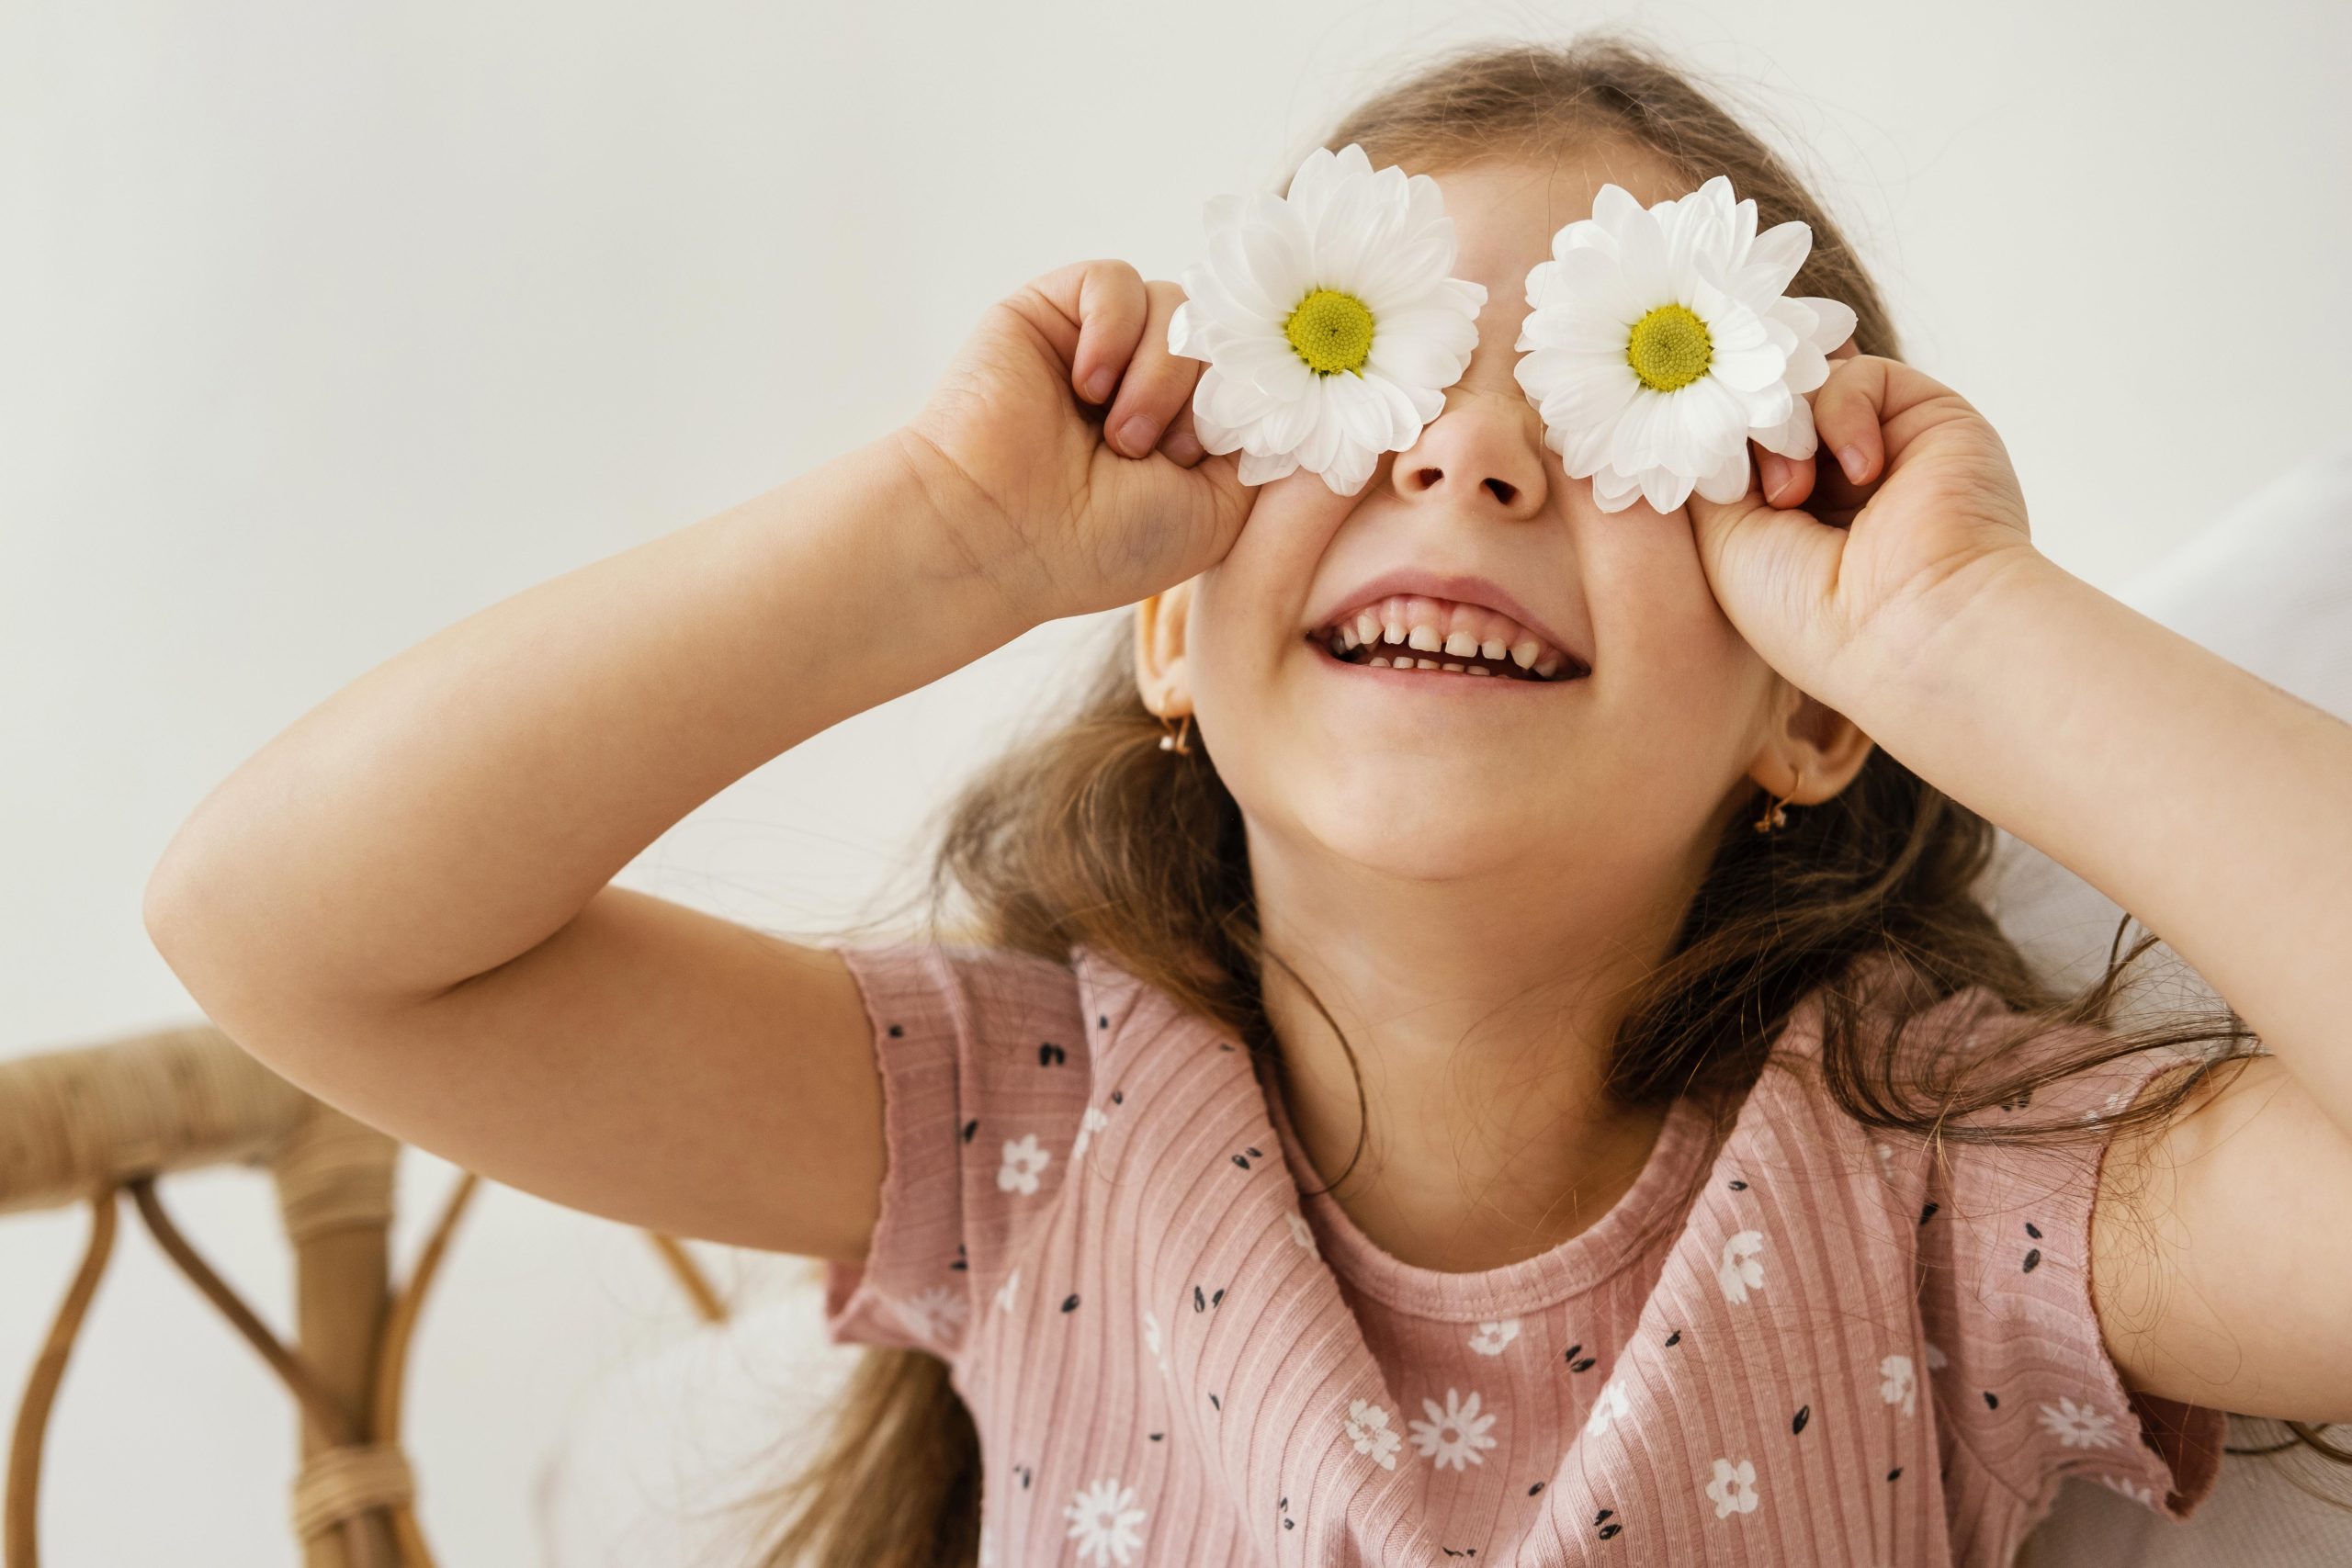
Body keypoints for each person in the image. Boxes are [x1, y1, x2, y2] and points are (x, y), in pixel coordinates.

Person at [141, 32, 2352, 1568]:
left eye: (1612, 424)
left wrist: (1961, 628)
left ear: (1800, 712)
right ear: (1173, 633)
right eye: (1363, 373)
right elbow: (281, 924)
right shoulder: (1028, 1132)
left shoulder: (1936, 1194)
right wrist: (931, 532)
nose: (1467, 456)